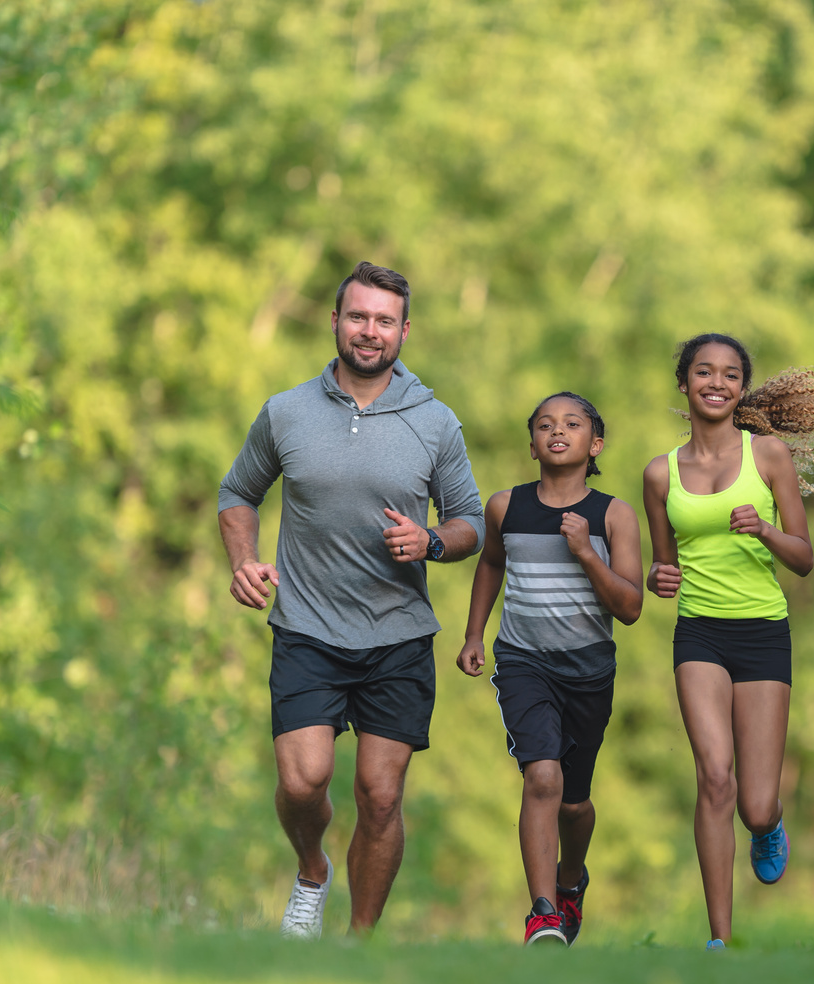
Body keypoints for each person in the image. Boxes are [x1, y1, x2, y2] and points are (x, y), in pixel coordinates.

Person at [217, 261, 485, 939]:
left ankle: (358, 945)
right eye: (358, 316)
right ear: (335, 321)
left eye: (384, 320)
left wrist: (430, 542)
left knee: (381, 794)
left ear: (404, 331)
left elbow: (471, 523)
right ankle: (312, 870)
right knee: (304, 782)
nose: (370, 331)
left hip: (397, 635)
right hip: (307, 628)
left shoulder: (435, 421)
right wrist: (243, 561)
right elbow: (237, 494)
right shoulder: (286, 411)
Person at [642, 334, 814, 950]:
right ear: (683, 383)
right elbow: (661, 569)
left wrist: (762, 528)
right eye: (703, 371)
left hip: (762, 633)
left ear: (741, 387)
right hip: (699, 633)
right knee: (714, 776)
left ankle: (770, 826)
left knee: (754, 805)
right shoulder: (661, 472)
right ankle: (720, 940)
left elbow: (806, 558)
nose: (716, 382)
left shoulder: (769, 457)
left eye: (730, 374)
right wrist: (660, 577)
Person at [456, 392, 643, 946]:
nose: (557, 431)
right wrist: (474, 634)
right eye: (544, 425)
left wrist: (588, 552)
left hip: (588, 671)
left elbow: (630, 608)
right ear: (532, 443)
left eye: (572, 424)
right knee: (541, 777)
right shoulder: (504, 507)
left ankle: (570, 881)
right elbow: (491, 562)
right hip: (522, 662)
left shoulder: (613, 514)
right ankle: (542, 912)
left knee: (575, 802)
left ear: (596, 443)